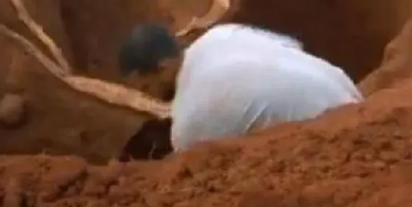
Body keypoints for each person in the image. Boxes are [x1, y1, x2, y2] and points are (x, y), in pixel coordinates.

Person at [118, 22, 363, 153]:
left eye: (146, 86)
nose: (146, 95)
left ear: (163, 67)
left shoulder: (190, 119)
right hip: (354, 99)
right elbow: (293, 45)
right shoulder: (220, 34)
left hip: (342, 144)